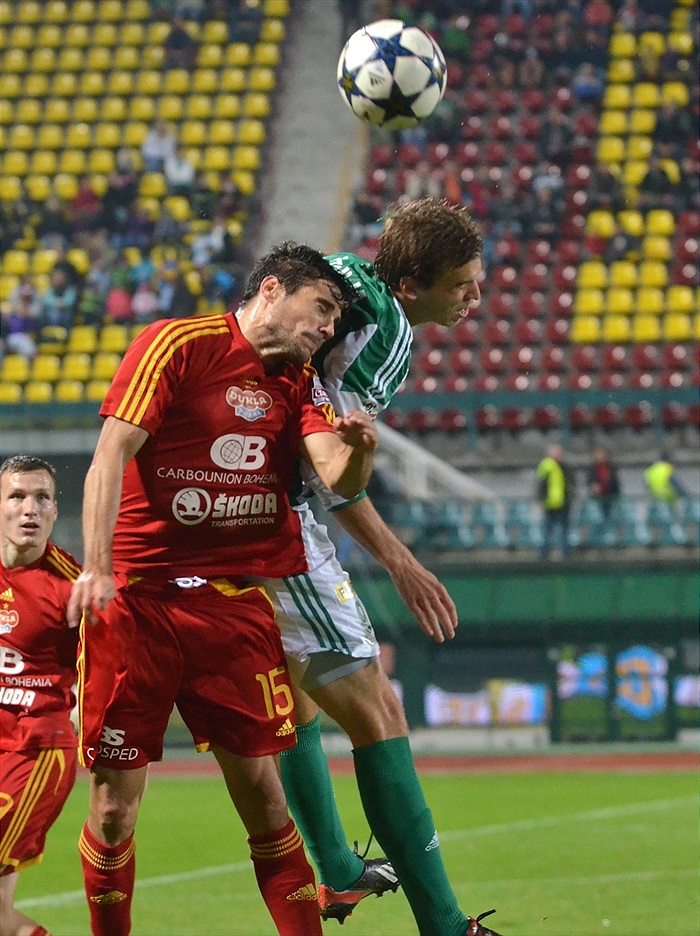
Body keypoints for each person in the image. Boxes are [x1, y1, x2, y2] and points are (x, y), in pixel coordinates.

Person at [65, 242, 378, 936]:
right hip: (136, 604)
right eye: (322, 307)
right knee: (114, 811)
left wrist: (359, 453)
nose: (328, 327)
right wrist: (96, 566)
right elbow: (110, 453)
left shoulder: (299, 382)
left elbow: (336, 476)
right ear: (272, 288)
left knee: (266, 799)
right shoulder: (176, 344)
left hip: (228, 605)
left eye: (334, 319)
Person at [257, 199, 503, 936]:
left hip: (222, 496)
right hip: (276, 520)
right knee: (379, 712)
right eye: (462, 285)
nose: (475, 299)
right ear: (415, 281)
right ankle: (445, 924)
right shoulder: (388, 334)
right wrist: (401, 562)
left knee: (295, 698)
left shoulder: (336, 275)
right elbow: (327, 467)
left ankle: (334, 870)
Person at [0, 455, 81, 936]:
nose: (29, 509)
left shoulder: (73, 590)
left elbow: (110, 675)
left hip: (35, 752)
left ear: (54, 512)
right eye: (16, 496)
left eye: (41, 498)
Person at [536, 443, 576, 560]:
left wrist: (571, 499)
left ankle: (566, 558)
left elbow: (572, 485)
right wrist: (541, 501)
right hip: (549, 505)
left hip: (564, 505)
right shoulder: (546, 466)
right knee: (547, 534)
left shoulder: (566, 467)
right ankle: (543, 559)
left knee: (564, 533)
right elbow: (540, 485)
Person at [586, 446, 620, 520]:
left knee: (610, 518)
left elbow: (616, 481)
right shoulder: (592, 468)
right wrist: (593, 487)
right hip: (597, 498)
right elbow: (589, 481)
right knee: (598, 519)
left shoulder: (611, 468)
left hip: (611, 497)